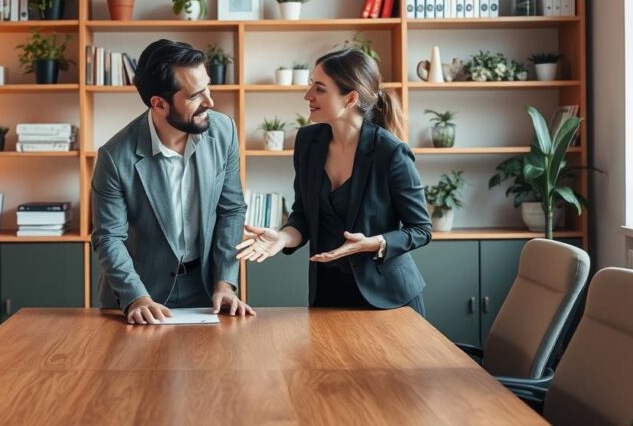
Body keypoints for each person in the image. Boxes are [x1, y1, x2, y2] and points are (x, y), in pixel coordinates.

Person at [235, 48, 432, 313]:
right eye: (310, 86)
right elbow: (302, 216)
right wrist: (281, 237)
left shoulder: (390, 152)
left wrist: (373, 243)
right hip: (328, 293)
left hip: (389, 299)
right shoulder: (307, 142)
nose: (307, 95)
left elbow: (420, 229)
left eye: (319, 88)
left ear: (350, 98)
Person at [92, 39, 254, 324]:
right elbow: (108, 237)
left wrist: (225, 283)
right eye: (195, 96)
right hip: (140, 292)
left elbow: (231, 210)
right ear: (159, 104)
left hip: (206, 286)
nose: (210, 102)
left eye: (208, 87)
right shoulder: (114, 157)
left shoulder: (224, 131)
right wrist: (136, 297)